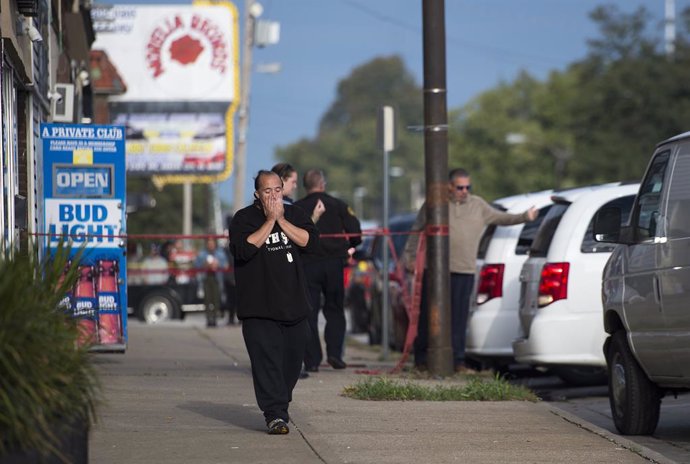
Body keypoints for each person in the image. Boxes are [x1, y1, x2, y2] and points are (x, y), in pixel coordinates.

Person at [403, 168, 538, 372]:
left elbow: (503, 218)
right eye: (459, 187)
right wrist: (410, 257)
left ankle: (457, 361)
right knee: (429, 316)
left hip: (463, 270)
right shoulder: (435, 205)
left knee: (458, 318)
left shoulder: (478, 205)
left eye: (468, 187)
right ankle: (421, 360)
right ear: (449, 187)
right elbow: (416, 230)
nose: (464, 191)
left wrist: (525, 217)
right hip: (436, 271)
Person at [229, 170, 318, 435]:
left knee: (291, 364)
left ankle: (279, 403)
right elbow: (243, 249)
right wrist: (269, 221)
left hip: (294, 305)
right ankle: (275, 414)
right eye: (267, 191)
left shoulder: (296, 215)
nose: (273, 195)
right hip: (258, 308)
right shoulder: (243, 219)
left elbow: (310, 242)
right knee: (266, 363)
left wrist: (281, 220)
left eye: (277, 190)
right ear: (257, 194)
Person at [295, 169, 361, 372]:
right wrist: (348, 246)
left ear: (305, 186)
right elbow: (356, 234)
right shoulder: (339, 205)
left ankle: (312, 360)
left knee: (310, 313)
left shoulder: (298, 208)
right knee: (334, 310)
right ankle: (334, 354)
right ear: (322, 184)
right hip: (333, 263)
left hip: (308, 264)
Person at [195, 237, 229, 328]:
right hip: (206, 278)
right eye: (209, 243)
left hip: (217, 278)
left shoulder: (220, 254)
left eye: (212, 243)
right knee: (207, 300)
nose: (211, 245)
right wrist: (205, 265)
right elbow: (196, 266)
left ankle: (214, 318)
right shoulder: (202, 254)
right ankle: (208, 318)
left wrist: (218, 265)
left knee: (216, 300)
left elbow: (226, 265)